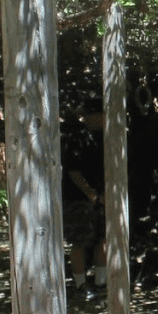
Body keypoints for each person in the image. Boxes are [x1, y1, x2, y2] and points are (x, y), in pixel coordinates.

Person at [61, 109, 106, 300]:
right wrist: (91, 194)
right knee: (80, 241)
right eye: (101, 114)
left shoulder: (104, 137)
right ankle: (80, 285)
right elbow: (73, 171)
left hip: (101, 199)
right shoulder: (76, 138)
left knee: (102, 240)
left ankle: (100, 283)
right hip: (77, 200)